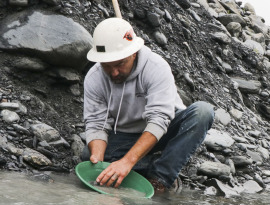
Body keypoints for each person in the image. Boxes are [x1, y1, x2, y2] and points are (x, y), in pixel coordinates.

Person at [82, 18, 214, 193]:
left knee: (203, 112)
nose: (114, 73)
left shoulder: (156, 67)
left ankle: (160, 177)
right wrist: (97, 163)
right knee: (87, 156)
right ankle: (147, 162)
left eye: (120, 64)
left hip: (164, 132)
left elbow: (159, 119)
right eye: (107, 66)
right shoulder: (94, 77)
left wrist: (127, 162)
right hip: (125, 136)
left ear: (133, 53)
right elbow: (96, 124)